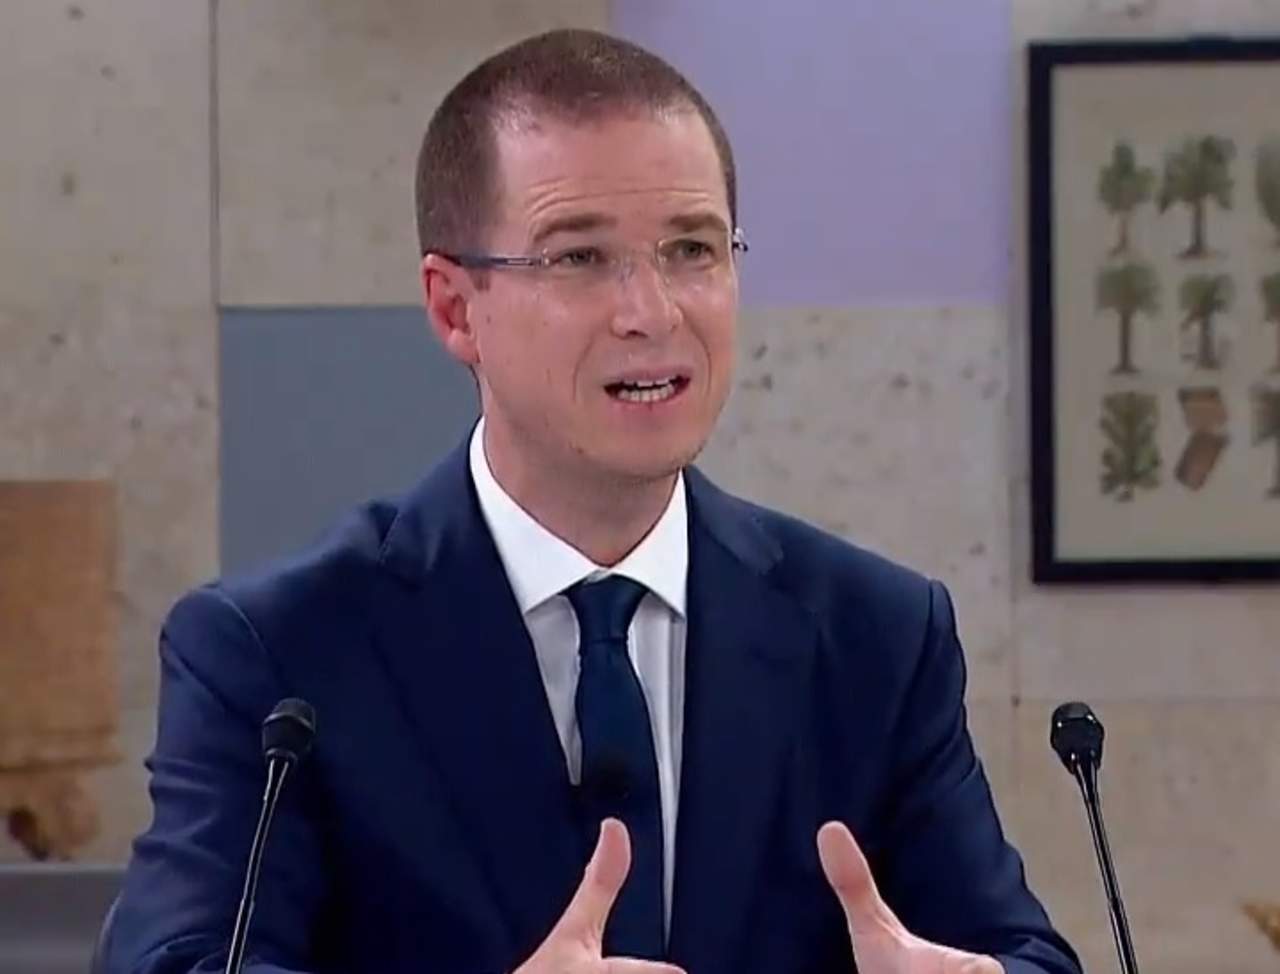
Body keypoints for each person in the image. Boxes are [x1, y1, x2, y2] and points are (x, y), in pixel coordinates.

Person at [105, 28, 1081, 974]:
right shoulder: (277, 654)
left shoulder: (875, 637)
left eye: (692, 249)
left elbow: (1020, 952)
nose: (651, 313)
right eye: (578, 258)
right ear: (454, 307)